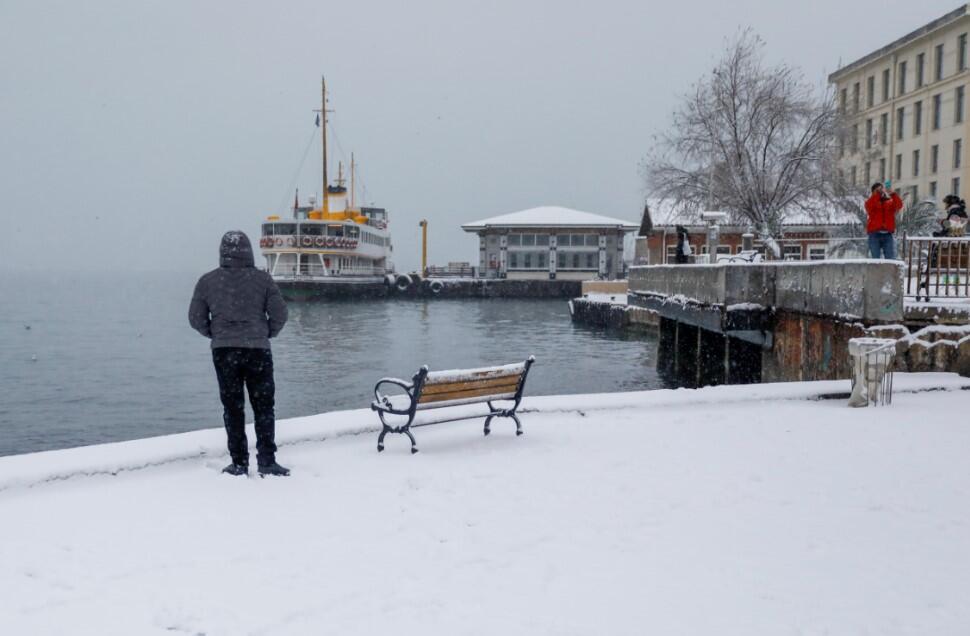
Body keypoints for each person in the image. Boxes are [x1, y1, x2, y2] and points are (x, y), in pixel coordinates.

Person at [189, 231, 290, 477]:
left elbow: (195, 319)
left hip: (225, 352)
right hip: (258, 351)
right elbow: (280, 314)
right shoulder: (263, 280)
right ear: (249, 252)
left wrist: (215, 333)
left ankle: (239, 462)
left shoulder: (207, 281)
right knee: (264, 407)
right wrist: (267, 332)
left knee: (233, 407)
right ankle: (266, 460)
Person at [864, 182, 903, 259]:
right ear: (873, 192)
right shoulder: (870, 201)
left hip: (888, 234)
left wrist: (893, 194)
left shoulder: (889, 202)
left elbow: (899, 205)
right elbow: (869, 206)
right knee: (875, 259)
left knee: (890, 259)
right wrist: (877, 195)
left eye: (881, 189)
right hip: (874, 234)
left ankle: (888, 271)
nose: (880, 191)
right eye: (877, 190)